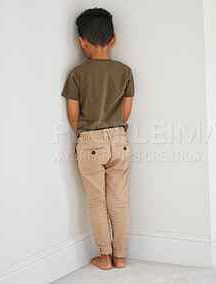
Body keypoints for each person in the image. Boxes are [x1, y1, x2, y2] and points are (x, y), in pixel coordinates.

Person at [61, 7, 134, 270]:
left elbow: (73, 117)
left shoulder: (77, 74)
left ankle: (104, 257)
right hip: (120, 139)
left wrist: (87, 138)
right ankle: (121, 257)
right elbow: (126, 113)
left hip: (90, 139)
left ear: (82, 42)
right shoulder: (125, 71)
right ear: (113, 38)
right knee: (119, 201)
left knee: (97, 201)